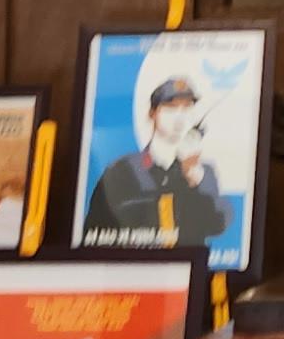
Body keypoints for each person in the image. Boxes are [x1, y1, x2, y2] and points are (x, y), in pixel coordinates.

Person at [83, 72, 230, 251]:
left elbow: (218, 224)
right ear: (152, 113)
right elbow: (93, 235)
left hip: (187, 266)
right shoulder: (121, 171)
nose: (180, 117)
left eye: (186, 108)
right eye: (171, 107)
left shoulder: (203, 172)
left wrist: (196, 181)